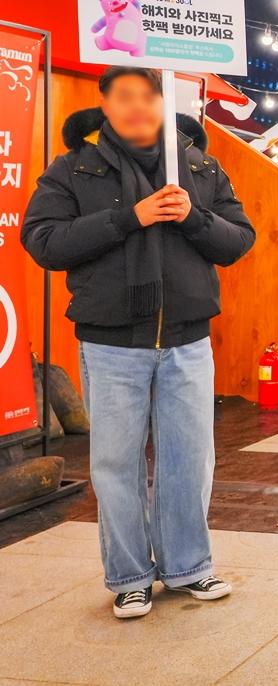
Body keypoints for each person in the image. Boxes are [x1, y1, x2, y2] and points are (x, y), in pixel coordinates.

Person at [21, 66, 255, 618]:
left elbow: (238, 240)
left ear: (162, 102)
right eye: (123, 96)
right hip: (111, 342)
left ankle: (188, 567)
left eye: (149, 96)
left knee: (189, 459)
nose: (137, 107)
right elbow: (45, 241)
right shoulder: (75, 167)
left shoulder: (196, 162)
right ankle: (130, 576)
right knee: (116, 462)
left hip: (187, 339)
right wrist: (130, 217)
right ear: (105, 104)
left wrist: (192, 217)